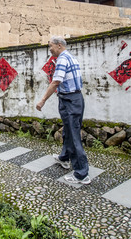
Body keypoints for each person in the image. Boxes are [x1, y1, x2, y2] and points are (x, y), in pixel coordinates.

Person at [36, 36, 91, 185]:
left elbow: (55, 82)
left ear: (59, 45)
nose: (50, 49)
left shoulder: (61, 59)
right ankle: (65, 158)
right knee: (68, 130)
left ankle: (81, 173)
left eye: (51, 46)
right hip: (74, 99)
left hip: (70, 101)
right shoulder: (71, 57)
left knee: (73, 135)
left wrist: (42, 101)